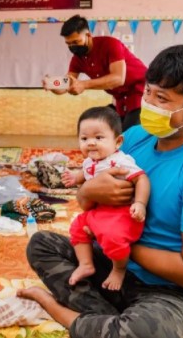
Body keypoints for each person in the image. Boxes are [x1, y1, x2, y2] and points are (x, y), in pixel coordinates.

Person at [20, 45, 183, 338]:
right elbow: (87, 201)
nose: (148, 103)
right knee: (42, 244)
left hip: (180, 295)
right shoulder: (135, 138)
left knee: (141, 331)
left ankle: (57, 307)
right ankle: (110, 322)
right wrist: (88, 192)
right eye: (148, 91)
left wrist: (120, 245)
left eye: (161, 98)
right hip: (122, 271)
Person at [62, 106, 150, 291]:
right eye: (84, 138)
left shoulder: (120, 161)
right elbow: (83, 174)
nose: (91, 143)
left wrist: (140, 204)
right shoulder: (89, 162)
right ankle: (86, 264)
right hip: (99, 212)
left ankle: (119, 269)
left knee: (113, 237)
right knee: (77, 227)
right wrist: (74, 178)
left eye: (99, 138)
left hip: (122, 215)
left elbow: (141, 178)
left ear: (117, 142)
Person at [43, 15, 147, 131]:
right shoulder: (77, 59)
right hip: (120, 100)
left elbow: (118, 78)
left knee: (129, 136)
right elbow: (67, 83)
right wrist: (52, 85)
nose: (72, 46)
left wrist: (83, 85)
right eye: (69, 44)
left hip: (142, 93)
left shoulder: (110, 44)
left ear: (88, 35)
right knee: (111, 133)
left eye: (76, 41)